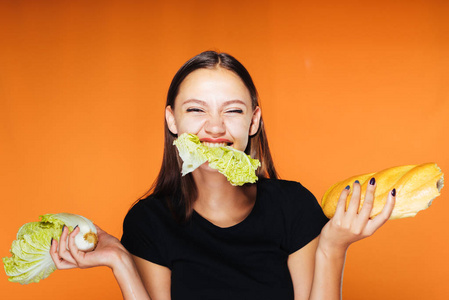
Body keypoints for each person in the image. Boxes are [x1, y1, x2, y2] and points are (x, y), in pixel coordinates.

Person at [50, 51, 396, 300]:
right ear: (172, 121)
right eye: (196, 109)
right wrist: (121, 261)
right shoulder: (148, 221)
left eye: (232, 110)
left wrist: (333, 247)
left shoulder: (293, 206)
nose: (214, 127)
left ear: (253, 121)